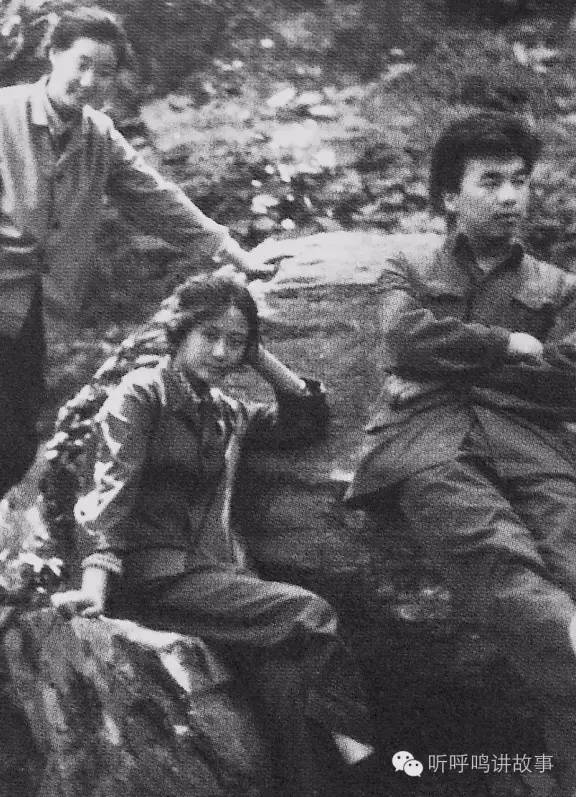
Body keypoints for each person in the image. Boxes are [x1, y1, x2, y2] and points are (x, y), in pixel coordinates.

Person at [0, 6, 270, 702]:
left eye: (105, 72)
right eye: (80, 63)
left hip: (28, 318)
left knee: (9, 451)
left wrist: (231, 252)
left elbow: (156, 199)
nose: (89, 81)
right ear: (53, 56)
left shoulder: (98, 140)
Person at [52, 271, 373, 797]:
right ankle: (369, 764)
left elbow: (304, 420)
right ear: (180, 333)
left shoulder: (224, 412)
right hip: (147, 579)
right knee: (308, 614)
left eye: (236, 342)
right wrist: (95, 587)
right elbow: (108, 491)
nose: (223, 352)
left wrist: (259, 355)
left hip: (204, 578)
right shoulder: (142, 394)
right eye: (210, 336)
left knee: (286, 675)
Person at [345, 111, 576, 795]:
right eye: (490, 181)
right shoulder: (408, 264)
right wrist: (507, 345)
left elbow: (569, 377)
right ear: (451, 195)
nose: (510, 197)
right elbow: (403, 339)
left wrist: (455, 365)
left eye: (520, 181)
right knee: (497, 558)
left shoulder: (559, 287)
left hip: (532, 443)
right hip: (427, 440)